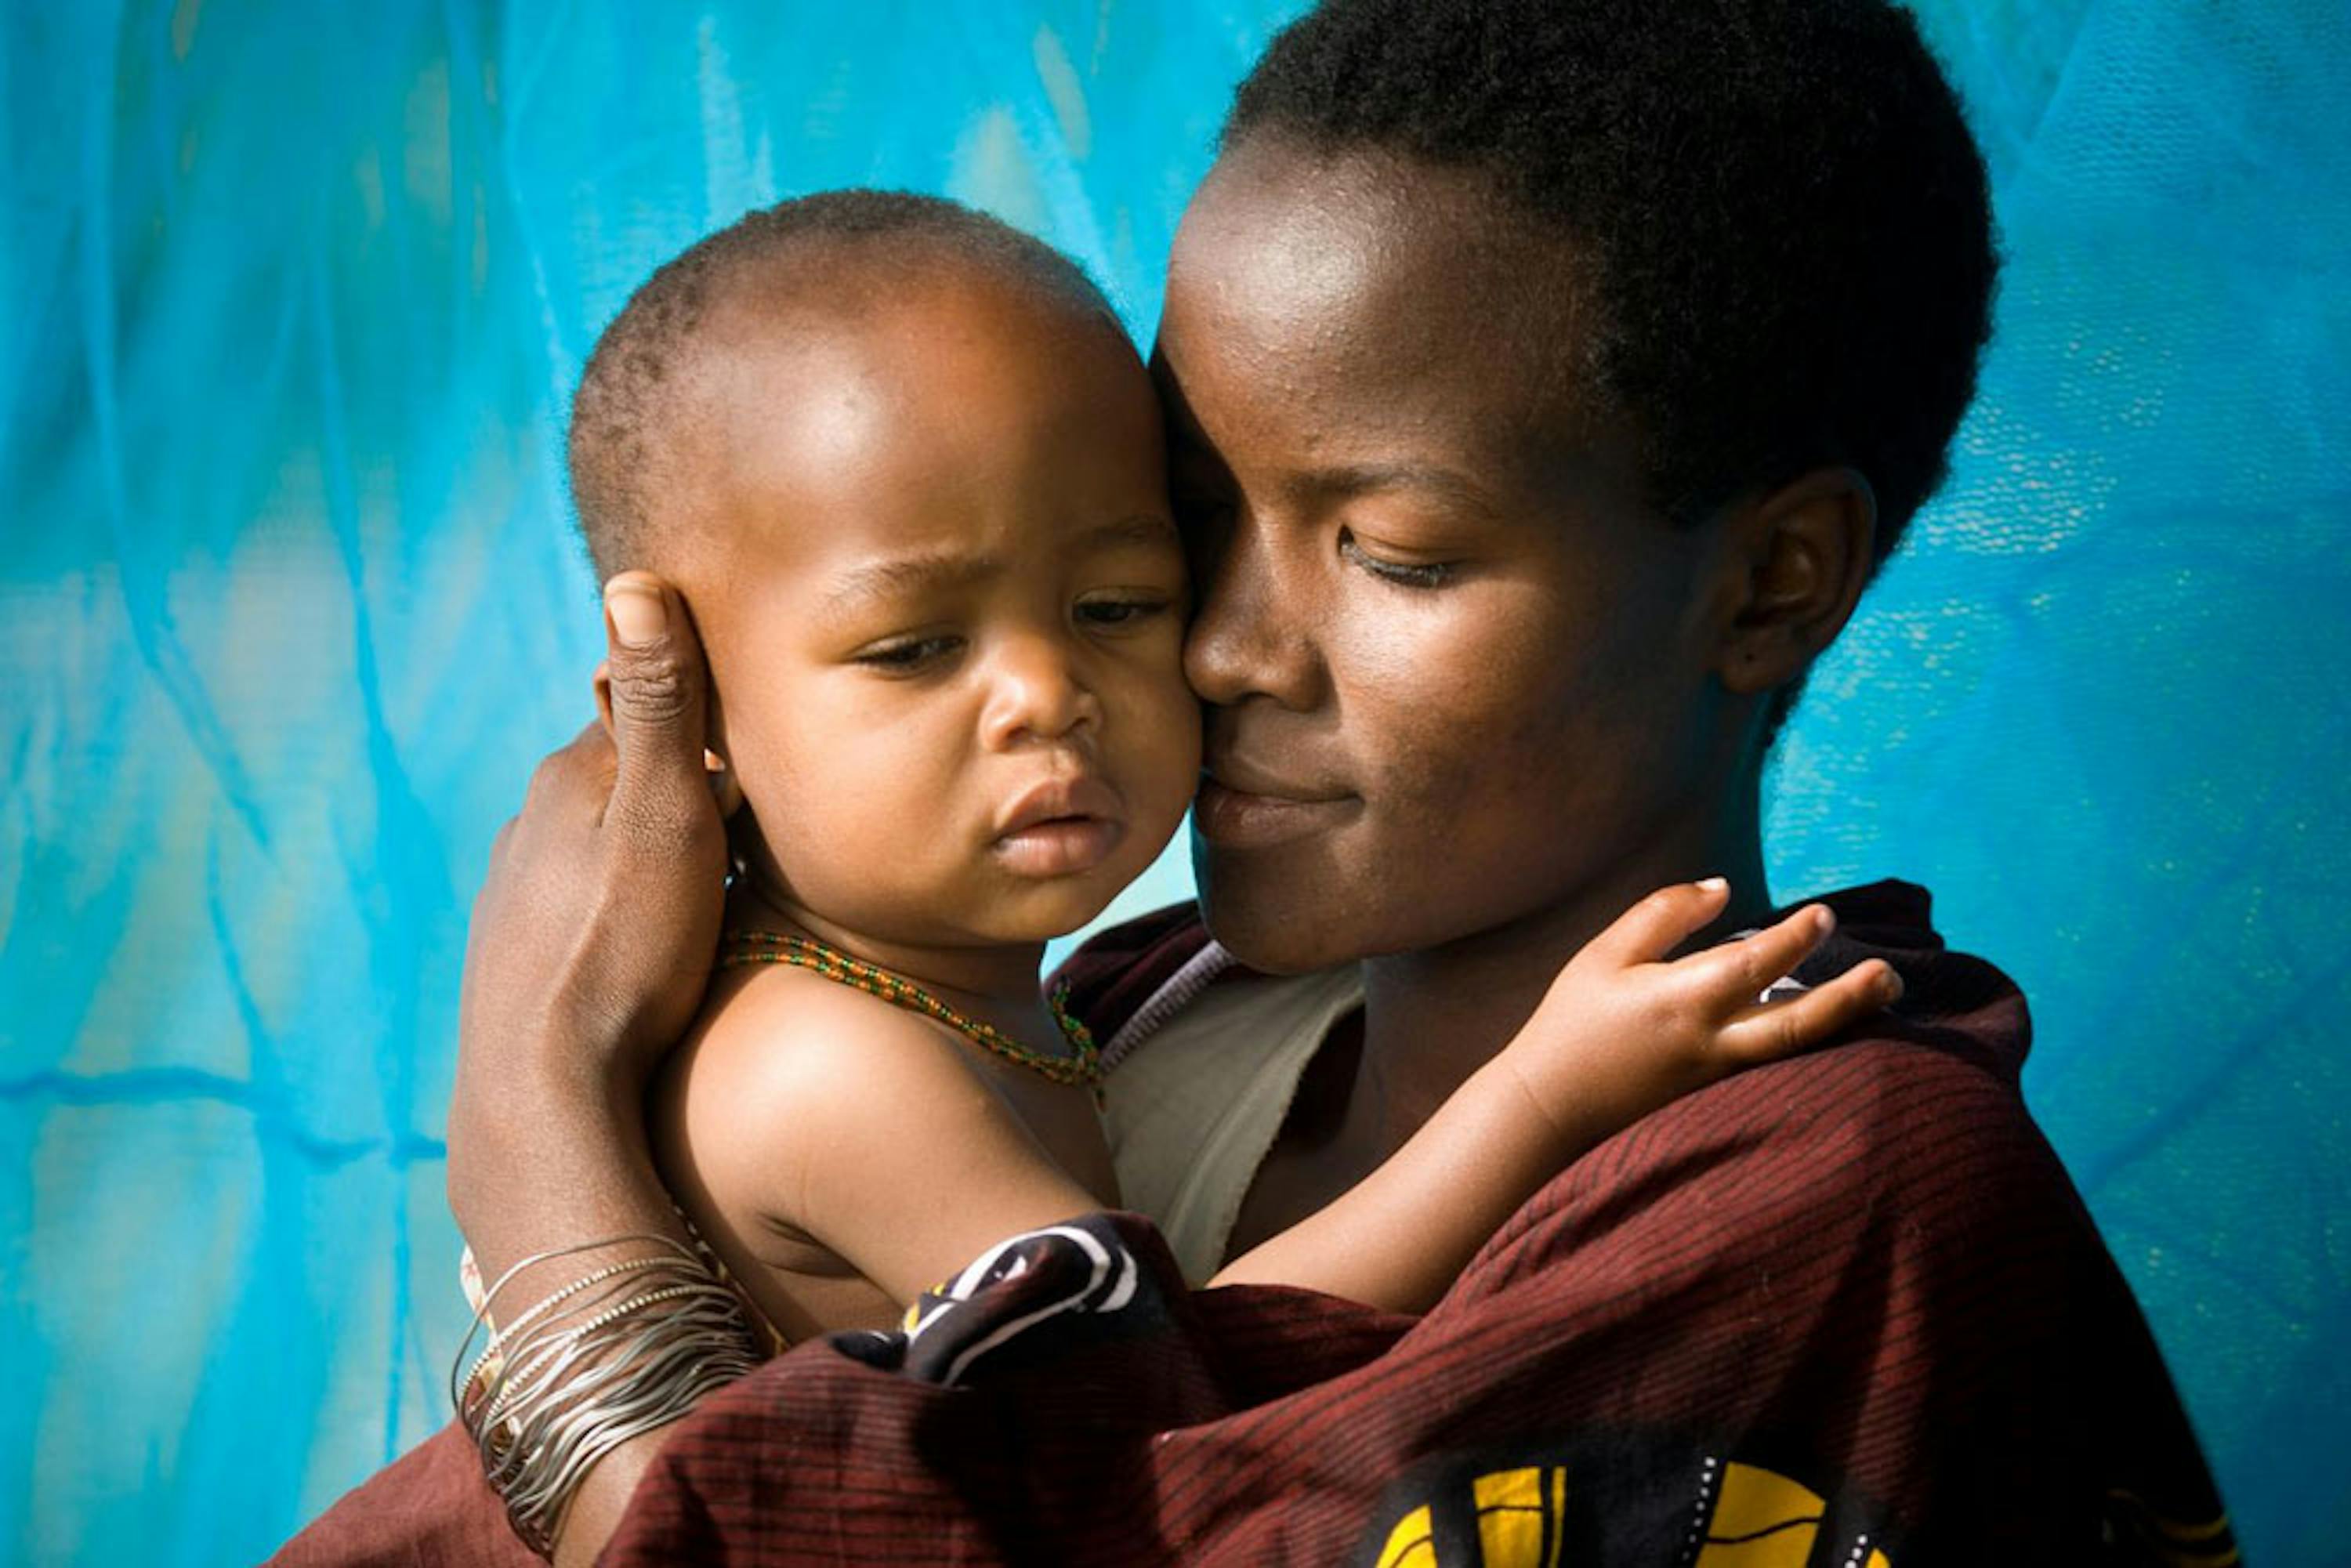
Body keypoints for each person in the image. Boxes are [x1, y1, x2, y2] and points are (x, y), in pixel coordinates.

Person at [278, 1, 2231, 1563]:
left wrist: (535, 1122)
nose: (1213, 648)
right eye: (1195, 515)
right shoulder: (1123, 1016)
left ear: (1774, 579)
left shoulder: (1846, 1199)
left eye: (1385, 549)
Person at [519, 188, 1885, 1365]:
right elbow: (1174, 1386)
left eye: (1118, 603)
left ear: (1775, 579)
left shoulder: (1049, 1007)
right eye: (916, 646)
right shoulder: (833, 1069)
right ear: (685, 717)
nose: (1048, 694)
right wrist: (1537, 1099)